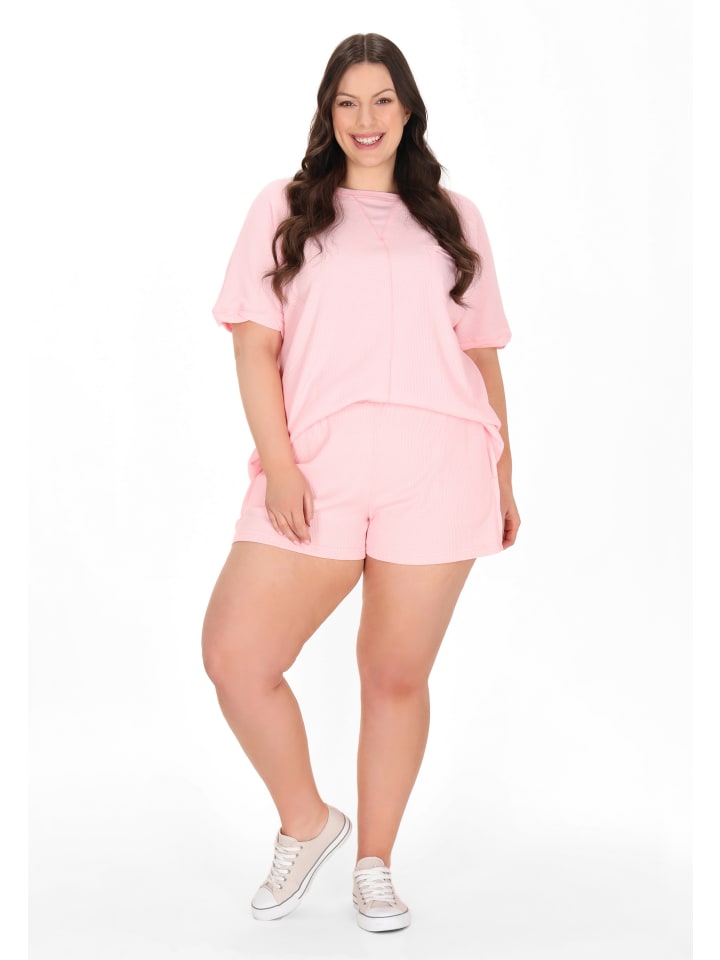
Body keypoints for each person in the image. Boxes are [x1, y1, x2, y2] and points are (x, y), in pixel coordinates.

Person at [201, 32, 521, 934]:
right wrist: (282, 465)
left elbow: (481, 355)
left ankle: (375, 864)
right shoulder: (285, 207)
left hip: (441, 464)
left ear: (408, 109)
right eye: (348, 102)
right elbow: (254, 348)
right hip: (320, 464)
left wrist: (504, 475)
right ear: (328, 113)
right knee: (235, 656)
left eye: (382, 100)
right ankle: (308, 824)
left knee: (393, 673)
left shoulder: (454, 217)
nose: (366, 118)